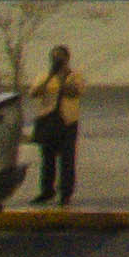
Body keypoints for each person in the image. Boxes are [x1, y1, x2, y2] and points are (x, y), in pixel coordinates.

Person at [30, 45, 84, 207]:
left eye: (60, 57)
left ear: (67, 58)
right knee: (47, 159)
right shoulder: (44, 76)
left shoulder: (75, 76)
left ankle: (66, 193)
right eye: (54, 57)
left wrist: (61, 80)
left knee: (67, 158)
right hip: (48, 120)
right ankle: (47, 191)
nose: (57, 60)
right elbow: (34, 93)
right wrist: (50, 77)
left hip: (68, 121)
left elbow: (76, 91)